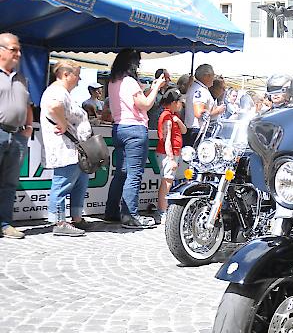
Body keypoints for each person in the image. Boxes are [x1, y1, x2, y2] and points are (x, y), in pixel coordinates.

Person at [104, 49, 166, 229]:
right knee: (134, 174)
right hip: (135, 129)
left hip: (119, 127)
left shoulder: (113, 81)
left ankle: (111, 211)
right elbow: (145, 105)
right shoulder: (130, 81)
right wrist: (155, 88)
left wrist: (148, 89)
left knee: (121, 172)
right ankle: (129, 215)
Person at [40, 60, 92, 236]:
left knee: (78, 182)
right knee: (63, 183)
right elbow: (54, 106)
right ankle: (59, 221)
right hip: (65, 148)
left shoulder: (63, 92)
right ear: (65, 74)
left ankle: (76, 218)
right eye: (77, 75)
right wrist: (62, 123)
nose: (79, 80)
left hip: (74, 148)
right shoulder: (56, 91)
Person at [0, 33, 32, 239]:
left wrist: (28, 126)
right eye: (14, 49)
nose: (18, 54)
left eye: (19, 50)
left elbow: (28, 104)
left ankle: (4, 223)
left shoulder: (21, 78)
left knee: (10, 183)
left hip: (17, 135)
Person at [155, 88, 186, 222]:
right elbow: (167, 140)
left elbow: (184, 130)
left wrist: (178, 121)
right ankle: (162, 211)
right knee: (166, 182)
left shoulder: (173, 117)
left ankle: (163, 210)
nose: (181, 105)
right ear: (174, 102)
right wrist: (171, 158)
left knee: (168, 181)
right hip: (168, 154)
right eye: (179, 102)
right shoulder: (167, 117)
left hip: (173, 153)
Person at [183, 64, 226, 146]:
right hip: (197, 131)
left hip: (194, 130)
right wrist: (217, 111)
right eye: (212, 75)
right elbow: (199, 113)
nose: (213, 78)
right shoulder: (200, 91)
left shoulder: (196, 87)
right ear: (206, 76)